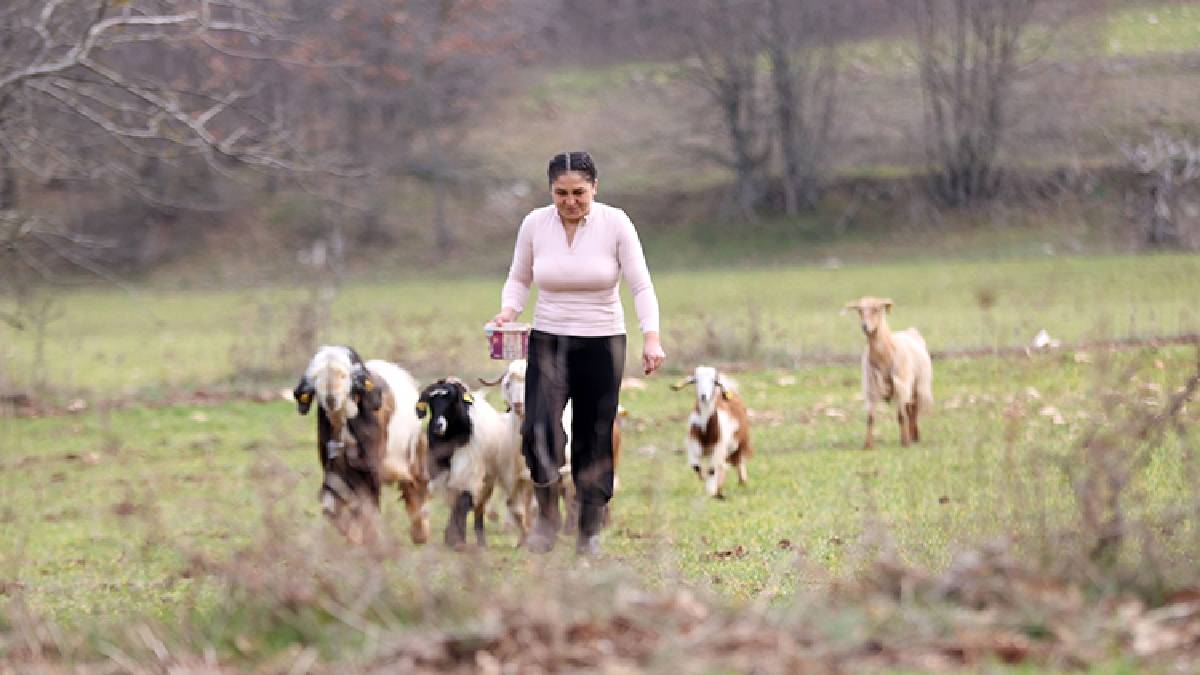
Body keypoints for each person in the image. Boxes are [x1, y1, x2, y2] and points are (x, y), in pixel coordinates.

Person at [489, 151, 665, 556]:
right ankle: (547, 518)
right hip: (549, 340)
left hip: (603, 342)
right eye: (561, 193)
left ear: (595, 188)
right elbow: (519, 277)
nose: (569, 201)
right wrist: (508, 311)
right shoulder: (535, 224)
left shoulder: (616, 223)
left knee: (595, 434)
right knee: (537, 428)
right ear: (550, 190)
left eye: (579, 193)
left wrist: (651, 338)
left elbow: (641, 285)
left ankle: (588, 530)